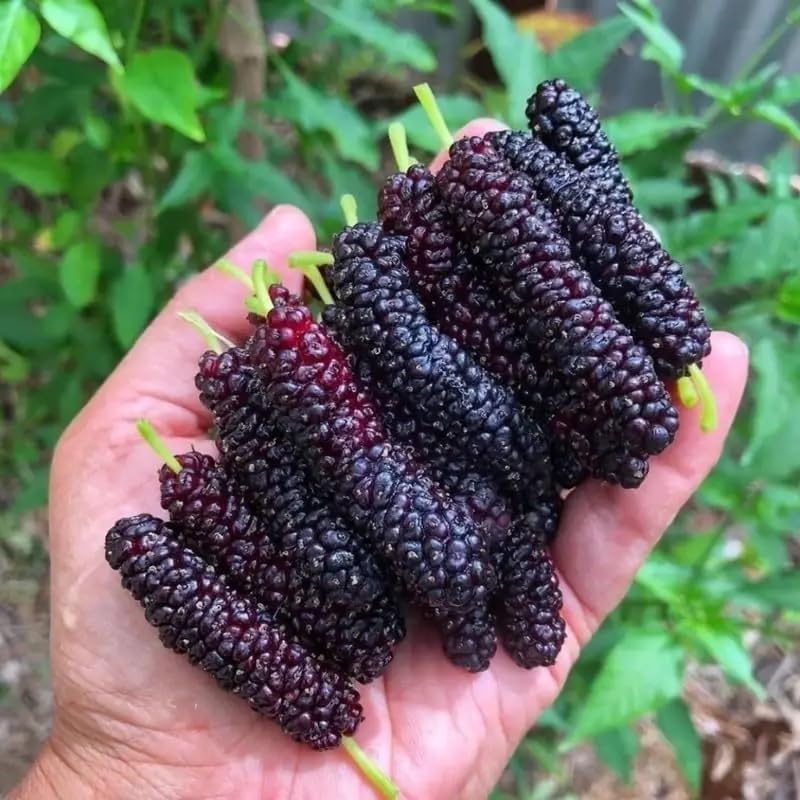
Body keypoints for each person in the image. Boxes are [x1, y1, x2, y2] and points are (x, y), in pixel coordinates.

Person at [9, 120, 748, 800]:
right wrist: (122, 767)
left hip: (473, 473)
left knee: (431, 399)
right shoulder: (285, 398)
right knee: (385, 432)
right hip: (405, 524)